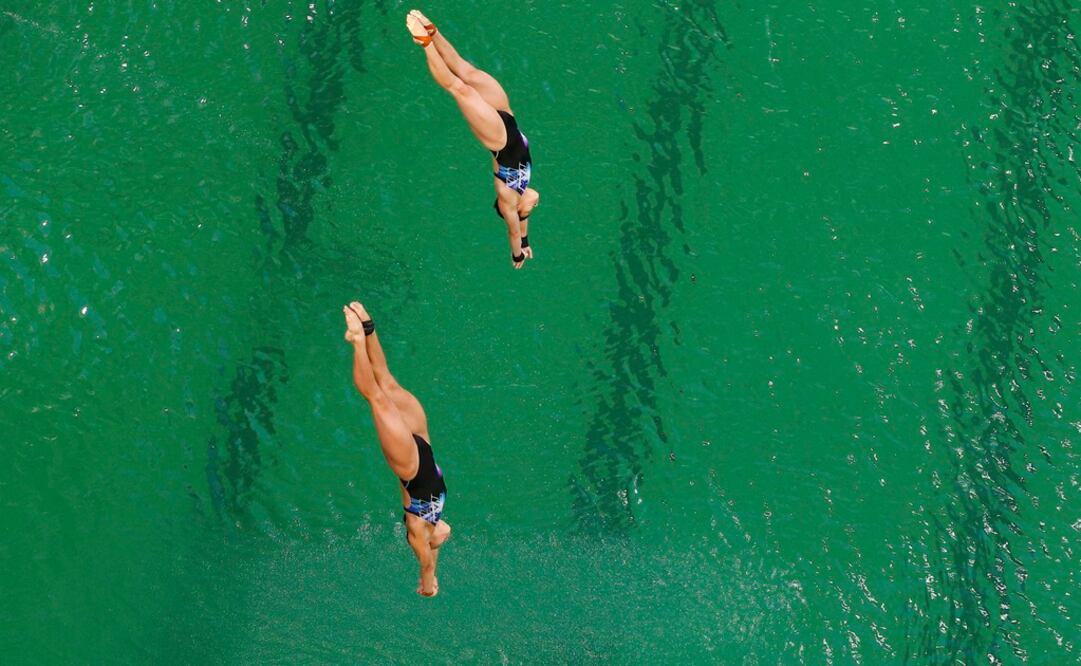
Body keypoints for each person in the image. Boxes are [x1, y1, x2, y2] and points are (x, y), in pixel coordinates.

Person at [406, 9, 541, 270]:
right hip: (508, 116)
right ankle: (432, 31)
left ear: (514, 211)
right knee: (466, 70)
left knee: (460, 89)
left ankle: (424, 43)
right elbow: (522, 228)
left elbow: (513, 230)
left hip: (500, 140)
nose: (536, 202)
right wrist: (525, 241)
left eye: (531, 208)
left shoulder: (509, 201)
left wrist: (517, 255)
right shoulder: (522, 197)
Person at [343, 301, 451, 597]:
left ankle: (367, 326)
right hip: (410, 467)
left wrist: (434, 572)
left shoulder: (437, 520)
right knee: (375, 396)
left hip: (424, 444)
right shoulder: (417, 531)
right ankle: (356, 340)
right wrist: (427, 586)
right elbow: (427, 564)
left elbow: (441, 537)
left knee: (387, 382)